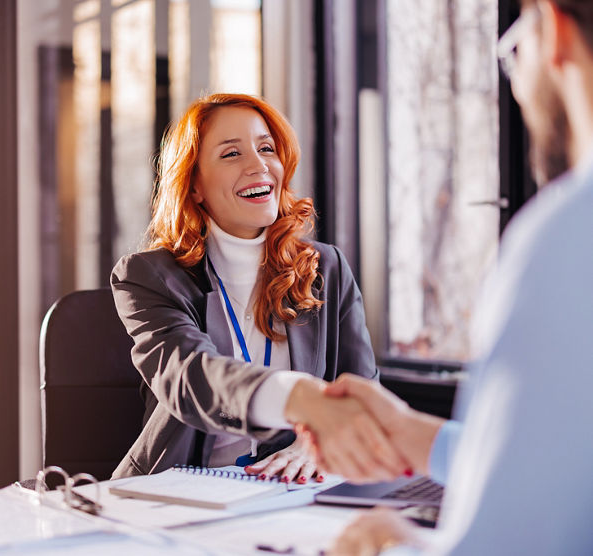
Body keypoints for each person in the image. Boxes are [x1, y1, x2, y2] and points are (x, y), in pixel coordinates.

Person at [291, 0, 593, 554]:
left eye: (514, 46)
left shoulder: (565, 235)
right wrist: (419, 436)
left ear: (552, 30)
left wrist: (394, 544)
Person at [109, 93, 408, 483]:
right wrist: (295, 397)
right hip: (179, 489)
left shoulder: (326, 267)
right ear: (195, 185)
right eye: (232, 154)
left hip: (292, 489)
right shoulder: (147, 276)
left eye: (267, 148)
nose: (259, 164)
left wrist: (314, 441)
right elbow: (190, 375)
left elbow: (363, 392)